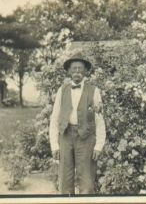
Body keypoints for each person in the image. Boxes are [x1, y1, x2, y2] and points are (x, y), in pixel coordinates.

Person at [49, 52, 106, 194]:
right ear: (68, 71)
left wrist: (98, 146)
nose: (77, 72)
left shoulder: (94, 91)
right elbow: (55, 118)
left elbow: (99, 120)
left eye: (80, 69)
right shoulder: (62, 90)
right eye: (74, 69)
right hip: (65, 136)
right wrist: (54, 145)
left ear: (86, 72)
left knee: (86, 182)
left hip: (86, 138)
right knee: (64, 181)